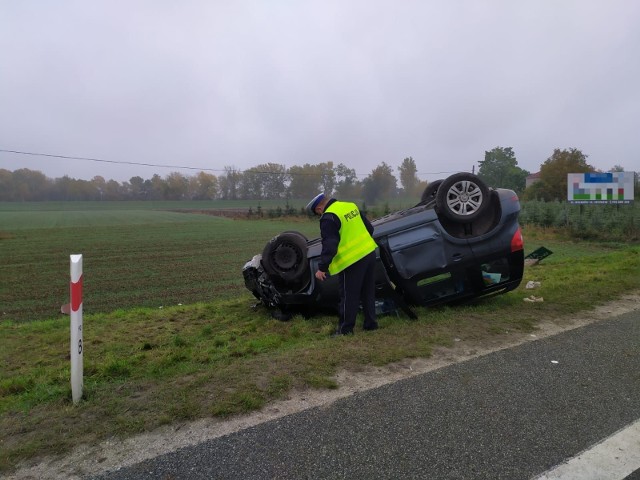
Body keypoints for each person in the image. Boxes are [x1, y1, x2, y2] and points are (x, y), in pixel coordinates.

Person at [306, 192, 378, 335]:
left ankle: (345, 330)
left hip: (351, 260)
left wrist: (322, 268)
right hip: (369, 253)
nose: (319, 215)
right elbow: (370, 228)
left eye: (317, 213)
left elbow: (330, 245)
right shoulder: (350, 206)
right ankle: (371, 324)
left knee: (348, 295)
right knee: (368, 292)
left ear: (319, 209)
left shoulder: (328, 217)